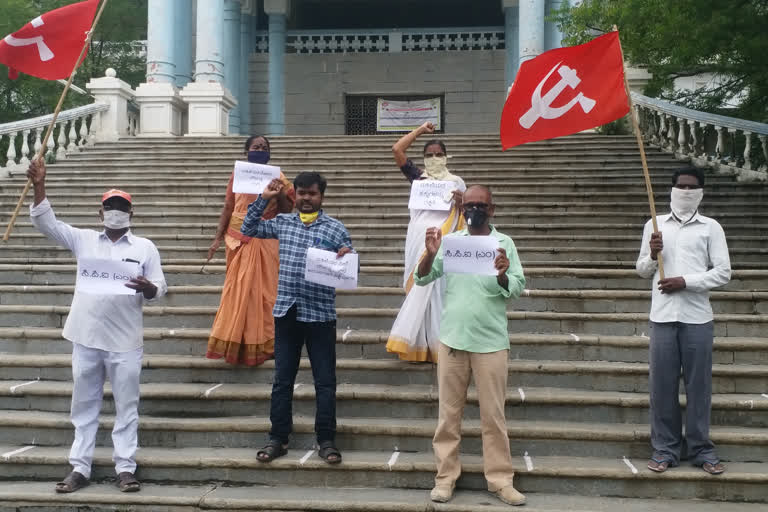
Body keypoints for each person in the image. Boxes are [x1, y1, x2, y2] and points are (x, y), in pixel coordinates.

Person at [26, 159, 167, 494]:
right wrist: (39, 185)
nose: (115, 211)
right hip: (86, 336)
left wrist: (148, 287)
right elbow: (46, 223)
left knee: (127, 406)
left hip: (125, 340)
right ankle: (80, 467)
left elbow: (160, 286)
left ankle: (125, 468)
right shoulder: (84, 239)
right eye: (109, 206)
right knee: (84, 405)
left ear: (131, 213)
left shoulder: (144, 247)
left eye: (121, 206)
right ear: (99, 211)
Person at [415, 185, 527, 506]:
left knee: (493, 417)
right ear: (462, 209)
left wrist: (504, 275)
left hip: (491, 343)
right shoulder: (451, 242)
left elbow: (516, 287)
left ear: (492, 210)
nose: (473, 210)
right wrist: (431, 254)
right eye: (469, 205)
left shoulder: (504, 244)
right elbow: (422, 277)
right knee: (448, 417)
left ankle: (500, 480)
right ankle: (446, 478)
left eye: (480, 205)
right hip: (453, 340)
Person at [240, 172, 353, 465]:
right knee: (282, 380)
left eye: (312, 193)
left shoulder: (336, 229)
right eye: (301, 193)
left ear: (321, 196)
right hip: (287, 312)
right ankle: (278, 438)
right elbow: (248, 228)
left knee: (325, 382)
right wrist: (263, 200)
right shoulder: (283, 222)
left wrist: (346, 255)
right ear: (295, 196)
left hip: (320, 315)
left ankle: (326, 440)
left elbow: (348, 263)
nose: (306, 198)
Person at [636, 166, 731, 475]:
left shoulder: (711, 227)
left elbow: (723, 272)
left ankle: (702, 449)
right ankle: (665, 448)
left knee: (698, 386)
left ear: (701, 192)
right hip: (662, 317)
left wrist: (685, 281)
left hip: (697, 318)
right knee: (661, 387)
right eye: (681, 186)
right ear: (672, 188)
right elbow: (641, 270)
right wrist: (652, 255)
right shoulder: (655, 224)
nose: (686, 192)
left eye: (692, 187)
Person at [205, 135, 295, 365]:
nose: (260, 150)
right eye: (256, 147)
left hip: (265, 238)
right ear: (247, 151)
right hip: (236, 239)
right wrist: (216, 238)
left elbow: (286, 210)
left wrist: (280, 192)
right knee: (237, 291)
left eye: (264, 147)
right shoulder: (238, 174)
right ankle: (236, 341)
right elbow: (228, 206)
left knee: (265, 294)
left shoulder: (279, 177)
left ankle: (267, 342)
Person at [386, 121, 466, 362]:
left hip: (443, 240)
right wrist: (420, 130)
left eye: (439, 154)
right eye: (429, 155)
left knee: (439, 292)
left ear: (446, 156)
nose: (434, 158)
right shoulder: (419, 178)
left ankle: (438, 345)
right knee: (418, 288)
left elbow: (465, 216)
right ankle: (416, 345)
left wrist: (461, 203)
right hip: (417, 240)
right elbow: (397, 150)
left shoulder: (457, 183)